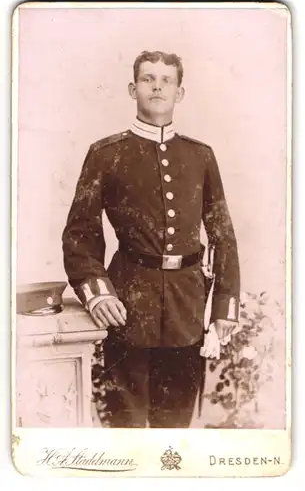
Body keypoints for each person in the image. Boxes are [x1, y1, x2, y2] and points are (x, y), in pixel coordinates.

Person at [62, 50, 240, 428]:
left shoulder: (200, 156)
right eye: (147, 79)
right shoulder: (106, 154)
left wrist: (223, 307)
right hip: (128, 306)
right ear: (133, 88)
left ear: (180, 93)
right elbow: (80, 233)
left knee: (174, 429)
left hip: (187, 311)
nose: (157, 86)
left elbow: (223, 235)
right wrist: (98, 293)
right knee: (126, 427)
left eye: (166, 80)